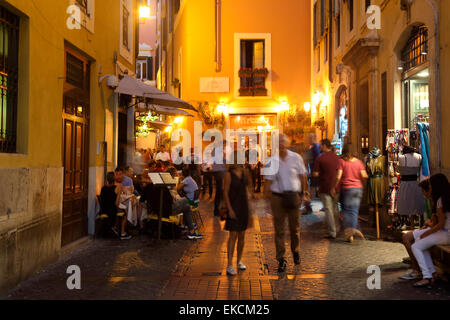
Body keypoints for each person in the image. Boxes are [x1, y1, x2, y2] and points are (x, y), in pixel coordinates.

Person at [264, 134, 308, 273]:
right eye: (279, 142)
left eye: (283, 142)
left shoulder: (296, 158)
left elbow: (302, 176)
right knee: (279, 230)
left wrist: (304, 192)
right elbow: (268, 181)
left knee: (294, 228)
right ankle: (281, 259)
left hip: (293, 195)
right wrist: (267, 199)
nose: (281, 144)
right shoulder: (272, 161)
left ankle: (295, 251)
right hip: (277, 198)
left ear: (287, 143)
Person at [400, 174, 450, 287]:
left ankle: (427, 276)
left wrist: (427, 232)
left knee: (416, 246)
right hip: (446, 233)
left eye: (431, 185)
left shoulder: (440, 201)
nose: (430, 187)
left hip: (446, 234)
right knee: (420, 243)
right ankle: (432, 273)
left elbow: (441, 224)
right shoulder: (446, 198)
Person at [223, 151, 254, 276]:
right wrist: (229, 209)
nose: (244, 160)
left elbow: (250, 187)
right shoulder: (228, 175)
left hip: (243, 206)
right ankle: (229, 264)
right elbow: (225, 192)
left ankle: (239, 260)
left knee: (242, 235)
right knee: (233, 235)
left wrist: (250, 195)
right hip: (234, 205)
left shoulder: (245, 172)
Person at [331, 143, 368, 243]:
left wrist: (334, 187)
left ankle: (350, 233)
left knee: (346, 211)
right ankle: (354, 230)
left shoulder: (341, 162)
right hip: (358, 189)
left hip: (347, 189)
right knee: (354, 211)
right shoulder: (359, 162)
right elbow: (364, 175)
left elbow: (338, 176)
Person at [313, 139, 341, 239]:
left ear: (325, 146)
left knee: (328, 210)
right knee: (335, 209)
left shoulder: (320, 159)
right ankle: (337, 229)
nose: (320, 147)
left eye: (321, 145)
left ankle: (332, 232)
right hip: (336, 187)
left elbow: (315, 174)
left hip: (325, 187)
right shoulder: (338, 157)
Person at [397, 146, 426, 228]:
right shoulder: (419, 157)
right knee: (414, 202)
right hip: (414, 183)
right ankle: (412, 225)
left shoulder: (402, 157)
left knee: (408, 203)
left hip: (406, 184)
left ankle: (412, 225)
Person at [99, 172, 131, 240]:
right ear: (114, 179)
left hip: (104, 210)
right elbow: (116, 203)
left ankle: (115, 226)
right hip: (112, 210)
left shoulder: (103, 188)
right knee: (125, 213)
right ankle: (122, 233)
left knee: (123, 210)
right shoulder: (117, 188)